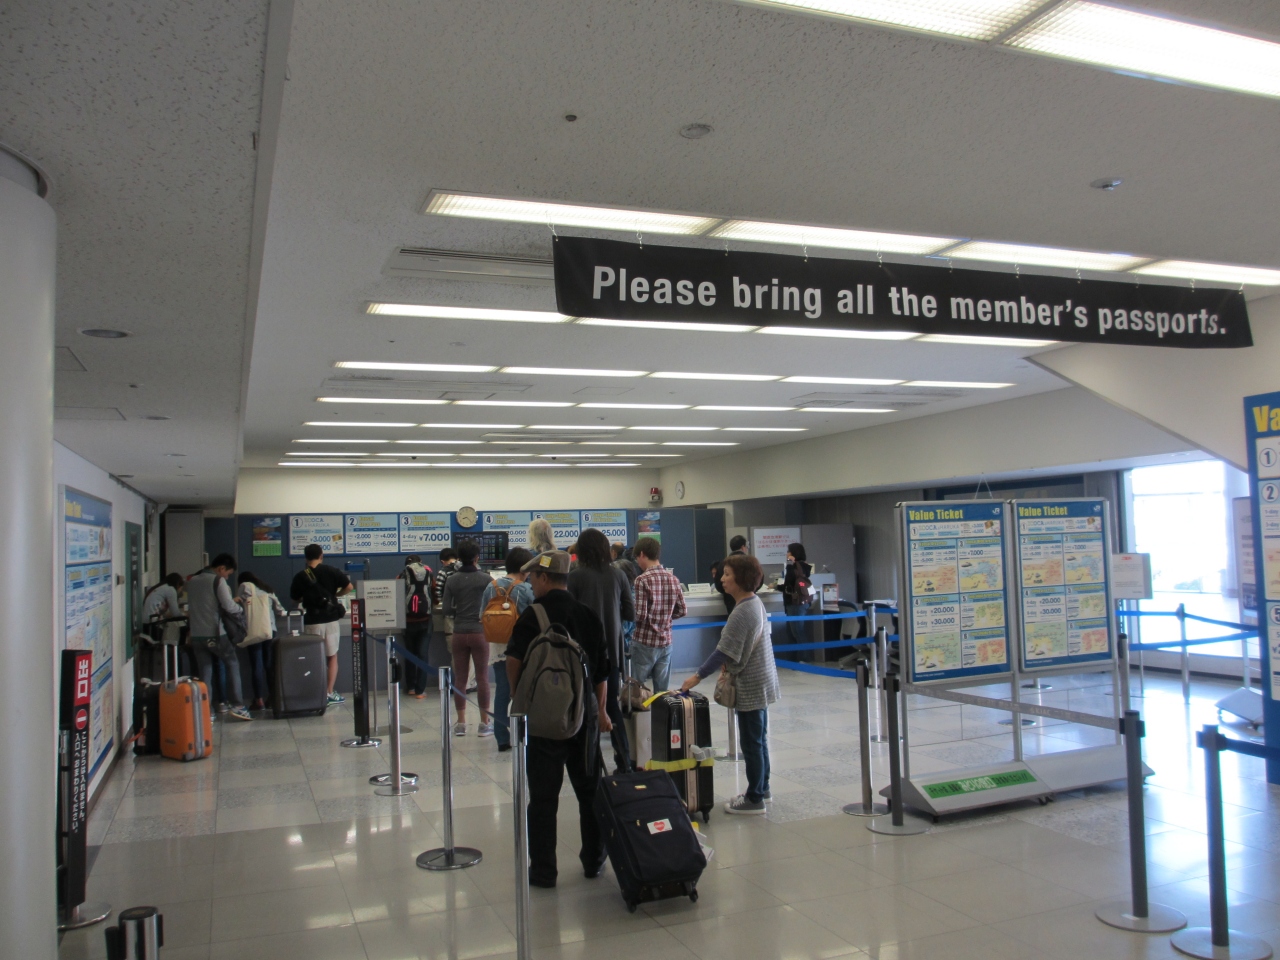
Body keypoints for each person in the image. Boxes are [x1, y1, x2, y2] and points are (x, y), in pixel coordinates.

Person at [505, 551, 610, 888]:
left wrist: (520, 697)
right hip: (584, 721)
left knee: (543, 798)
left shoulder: (532, 615)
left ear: (545, 578)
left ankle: (544, 871)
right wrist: (600, 712)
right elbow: (602, 673)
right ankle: (594, 860)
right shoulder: (588, 615)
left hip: (543, 724)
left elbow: (514, 661)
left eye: (534, 577)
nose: (532, 582)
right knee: (589, 793)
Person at [681, 552, 779, 814]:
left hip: (751, 684)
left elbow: (723, 651)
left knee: (751, 741)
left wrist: (697, 676)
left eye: (727, 574)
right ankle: (763, 787)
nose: (722, 579)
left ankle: (755, 797)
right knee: (758, 738)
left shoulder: (742, 611)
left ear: (741, 578)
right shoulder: (753, 603)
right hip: (762, 680)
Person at [567, 527, 634, 772]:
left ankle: (589, 762)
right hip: (612, 653)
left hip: (582, 652)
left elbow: (569, 613)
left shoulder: (574, 577)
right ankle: (624, 761)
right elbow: (630, 612)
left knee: (583, 707)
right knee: (612, 707)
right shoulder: (618, 576)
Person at [186, 554, 253, 721]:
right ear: (221, 568)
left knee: (205, 672)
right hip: (215, 633)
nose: (227, 576)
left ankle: (206, 711)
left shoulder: (192, 581)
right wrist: (241, 610)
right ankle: (238, 705)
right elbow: (228, 606)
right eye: (228, 573)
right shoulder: (217, 581)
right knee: (232, 663)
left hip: (196, 635)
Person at [479, 547, 534, 751]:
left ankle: (502, 737)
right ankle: (524, 732)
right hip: (522, 647)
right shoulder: (525, 589)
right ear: (524, 569)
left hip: (498, 646)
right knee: (524, 689)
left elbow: (481, 615)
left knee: (502, 690)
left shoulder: (490, 587)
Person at [441, 540, 494, 736]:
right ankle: (484, 723)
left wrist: (460, 611)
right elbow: (492, 605)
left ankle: (461, 724)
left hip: (459, 632)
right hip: (480, 632)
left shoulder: (452, 580)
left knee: (461, 678)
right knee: (482, 678)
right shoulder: (486, 579)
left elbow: (446, 609)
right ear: (477, 558)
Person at [289, 544, 353, 705]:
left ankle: (316, 692)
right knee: (332, 657)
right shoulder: (332, 571)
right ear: (321, 555)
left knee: (314, 657)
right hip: (330, 619)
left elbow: (294, 599)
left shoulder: (299, 576)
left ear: (305, 557)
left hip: (312, 621)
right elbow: (349, 587)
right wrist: (334, 595)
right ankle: (329, 692)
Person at [630, 537, 686, 695]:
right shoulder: (673, 579)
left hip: (644, 642)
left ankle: (639, 719)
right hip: (666, 641)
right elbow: (682, 610)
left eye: (636, 558)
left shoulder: (641, 580)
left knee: (637, 690)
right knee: (661, 691)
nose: (637, 562)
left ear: (642, 554)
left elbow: (640, 615)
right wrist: (665, 616)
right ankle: (660, 718)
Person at [235, 571, 286, 711]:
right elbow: (281, 611)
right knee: (269, 665)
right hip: (270, 630)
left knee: (257, 665)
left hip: (254, 630)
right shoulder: (267, 589)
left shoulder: (244, 586)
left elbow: (238, 607)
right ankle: (273, 697)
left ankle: (259, 701)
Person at [398, 555, 434, 698]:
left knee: (410, 654)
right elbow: (435, 594)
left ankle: (411, 687)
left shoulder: (401, 574)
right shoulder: (429, 573)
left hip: (408, 621)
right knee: (423, 655)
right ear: (420, 563)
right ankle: (420, 690)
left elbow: (397, 596)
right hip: (425, 620)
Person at [783, 542, 813, 647]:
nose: (786, 553)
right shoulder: (804, 566)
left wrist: (789, 564)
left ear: (793, 553)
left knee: (797, 632)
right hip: (801, 601)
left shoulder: (794, 566)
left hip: (795, 602)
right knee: (795, 632)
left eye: (788, 551)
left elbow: (789, 582)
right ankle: (797, 658)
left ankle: (804, 658)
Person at [710, 535, 749, 615]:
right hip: (749, 600)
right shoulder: (750, 562)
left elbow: (719, 585)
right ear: (743, 547)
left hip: (730, 601)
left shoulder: (723, 564)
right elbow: (759, 581)